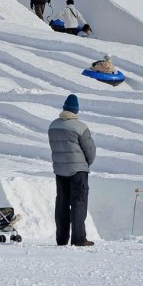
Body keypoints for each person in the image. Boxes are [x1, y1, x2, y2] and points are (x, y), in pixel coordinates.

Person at [48, 93, 96, 247]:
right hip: (78, 171)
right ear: (76, 110)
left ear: (64, 108)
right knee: (79, 202)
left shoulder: (53, 125)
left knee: (62, 203)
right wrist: (86, 163)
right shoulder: (81, 127)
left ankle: (61, 239)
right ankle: (79, 239)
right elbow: (90, 150)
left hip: (60, 170)